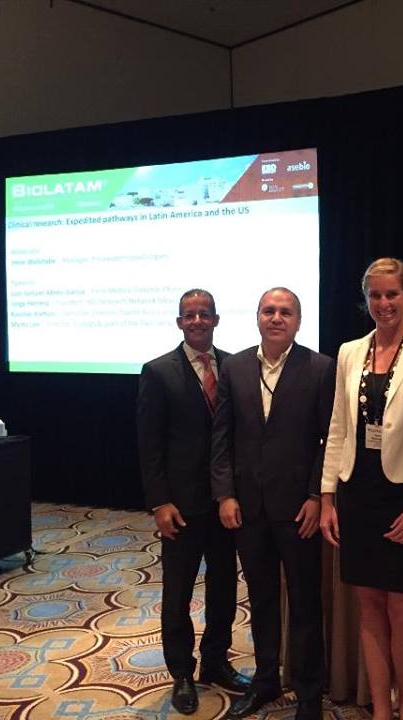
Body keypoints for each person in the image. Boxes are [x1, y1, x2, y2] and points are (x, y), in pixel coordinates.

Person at [211, 287, 336, 720]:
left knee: (304, 604)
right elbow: (222, 436)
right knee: (261, 600)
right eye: (269, 310)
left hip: (299, 510)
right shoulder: (234, 367)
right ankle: (265, 681)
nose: (276, 317)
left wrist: (316, 496)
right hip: (248, 508)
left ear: (298, 322)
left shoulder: (320, 368)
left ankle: (308, 694)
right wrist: (225, 493)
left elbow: (330, 439)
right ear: (258, 317)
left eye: (285, 312)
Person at [319, 258, 403, 720]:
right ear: (365, 299)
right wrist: (327, 497)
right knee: (368, 609)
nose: (384, 303)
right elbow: (338, 427)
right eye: (375, 295)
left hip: (402, 498)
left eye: (392, 294)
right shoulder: (350, 351)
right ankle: (381, 710)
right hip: (357, 495)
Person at [137, 289, 251, 715]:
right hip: (180, 507)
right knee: (178, 592)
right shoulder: (158, 371)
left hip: (225, 502)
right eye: (190, 315)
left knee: (224, 586)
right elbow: (149, 445)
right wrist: (159, 503)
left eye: (205, 314)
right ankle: (182, 672)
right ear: (179, 322)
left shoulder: (234, 367)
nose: (198, 321)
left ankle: (216, 661)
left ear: (216, 319)